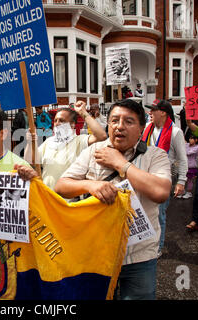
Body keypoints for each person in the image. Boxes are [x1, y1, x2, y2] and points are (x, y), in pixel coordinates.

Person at [49, 99, 171, 300]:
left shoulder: (155, 156)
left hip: (139, 256)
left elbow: (160, 192)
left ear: (142, 128)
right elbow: (61, 186)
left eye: (129, 121)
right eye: (114, 120)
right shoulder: (92, 153)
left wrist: (120, 164)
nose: (119, 126)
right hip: (97, 251)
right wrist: (90, 185)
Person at [22, 101, 107, 196]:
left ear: (72, 124)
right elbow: (30, 161)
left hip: (70, 204)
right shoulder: (49, 142)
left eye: (61, 121)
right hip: (48, 199)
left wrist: (83, 113)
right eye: (55, 120)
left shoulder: (80, 141)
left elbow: (101, 136)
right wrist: (29, 142)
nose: (57, 124)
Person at [142, 100, 187, 256]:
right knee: (146, 211)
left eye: (153, 110)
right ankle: (149, 243)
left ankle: (158, 248)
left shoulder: (175, 132)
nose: (150, 113)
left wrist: (181, 181)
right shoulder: (147, 129)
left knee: (159, 214)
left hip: (164, 177)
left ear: (163, 113)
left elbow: (182, 158)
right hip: (147, 176)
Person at [178, 135, 198, 199]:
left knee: (189, 180)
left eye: (192, 139)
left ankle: (189, 193)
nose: (190, 140)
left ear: (196, 140)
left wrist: (182, 151)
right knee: (182, 179)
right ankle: (182, 191)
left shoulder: (196, 147)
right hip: (184, 165)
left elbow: (187, 153)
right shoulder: (187, 145)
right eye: (190, 138)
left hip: (191, 166)